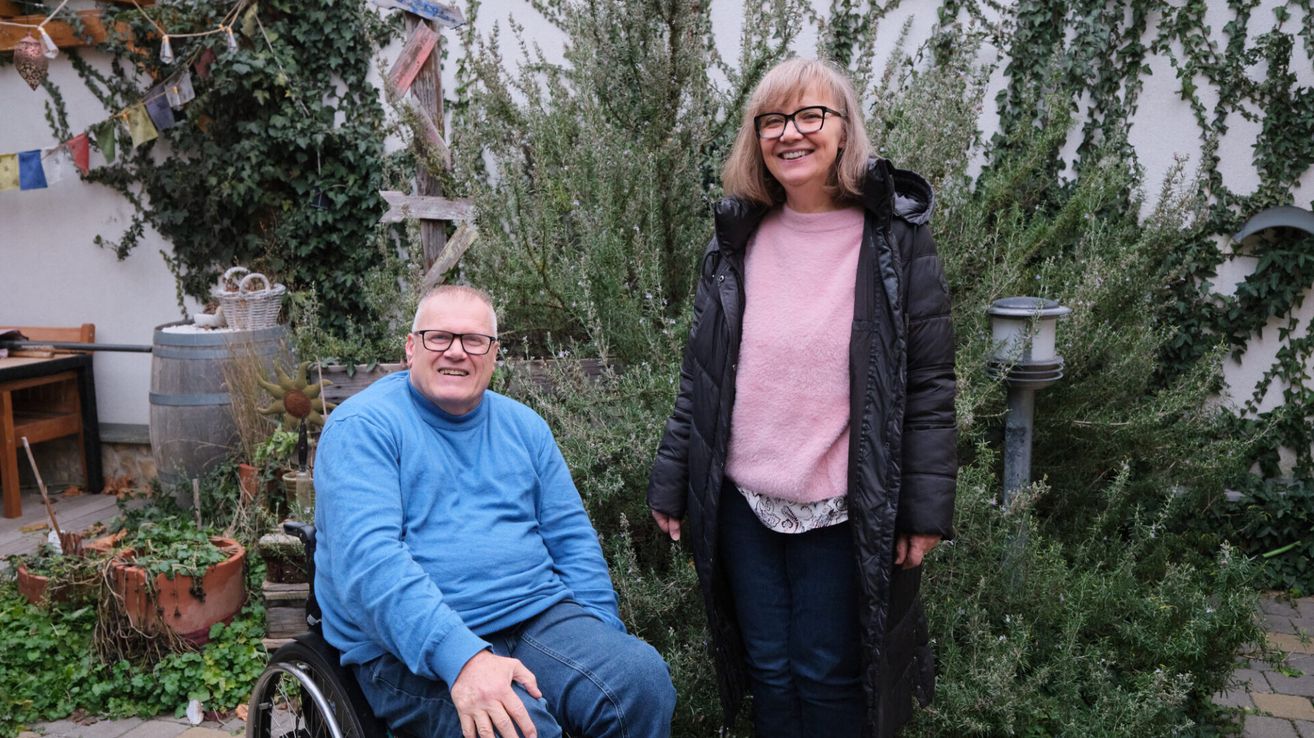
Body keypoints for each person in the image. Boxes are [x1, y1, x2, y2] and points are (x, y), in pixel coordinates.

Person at [647, 57, 958, 738]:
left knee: (826, 674)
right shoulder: (735, 239)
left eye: (810, 116)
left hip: (842, 507)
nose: (791, 133)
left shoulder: (896, 241)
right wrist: (672, 480)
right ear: (756, 138)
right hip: (742, 506)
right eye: (773, 120)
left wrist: (924, 506)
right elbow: (700, 376)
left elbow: (931, 381)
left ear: (844, 132)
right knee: (768, 670)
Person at [316, 284, 676, 738]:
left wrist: (601, 637)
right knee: (520, 728)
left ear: (494, 353)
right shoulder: (363, 428)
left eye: (473, 340)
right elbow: (370, 564)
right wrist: (461, 657)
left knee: (638, 679)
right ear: (411, 348)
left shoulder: (524, 427)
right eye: (439, 337)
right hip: (409, 645)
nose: (456, 352)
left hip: (536, 617)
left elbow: (572, 540)